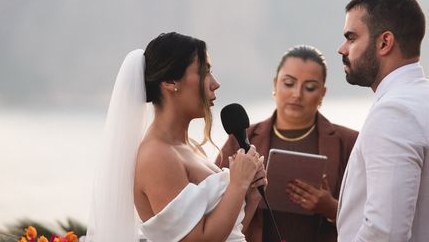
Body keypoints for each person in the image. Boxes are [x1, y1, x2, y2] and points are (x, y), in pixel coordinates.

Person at [85, 32, 266, 242]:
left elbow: (228, 234)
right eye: (204, 72)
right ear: (171, 82)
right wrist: (237, 184)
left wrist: (251, 194)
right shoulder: (157, 156)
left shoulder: (192, 148)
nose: (215, 83)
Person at [335, 0, 429, 242]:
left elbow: (384, 233)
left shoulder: (395, 113)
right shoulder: (427, 101)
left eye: (351, 37)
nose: (342, 49)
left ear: (384, 42)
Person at [218, 45, 358, 242]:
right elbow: (214, 206)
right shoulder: (242, 138)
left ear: (322, 93)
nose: (297, 94)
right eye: (289, 83)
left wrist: (331, 208)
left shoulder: (349, 143)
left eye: (309, 87)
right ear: (275, 84)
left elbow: (374, 217)